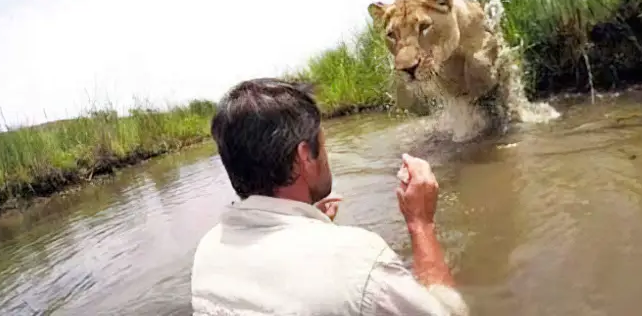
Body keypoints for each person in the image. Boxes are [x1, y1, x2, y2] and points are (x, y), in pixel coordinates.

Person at [190, 78, 469, 316]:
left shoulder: (208, 250)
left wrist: (316, 226)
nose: (327, 156)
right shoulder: (359, 260)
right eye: (323, 146)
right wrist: (420, 222)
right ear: (304, 157)